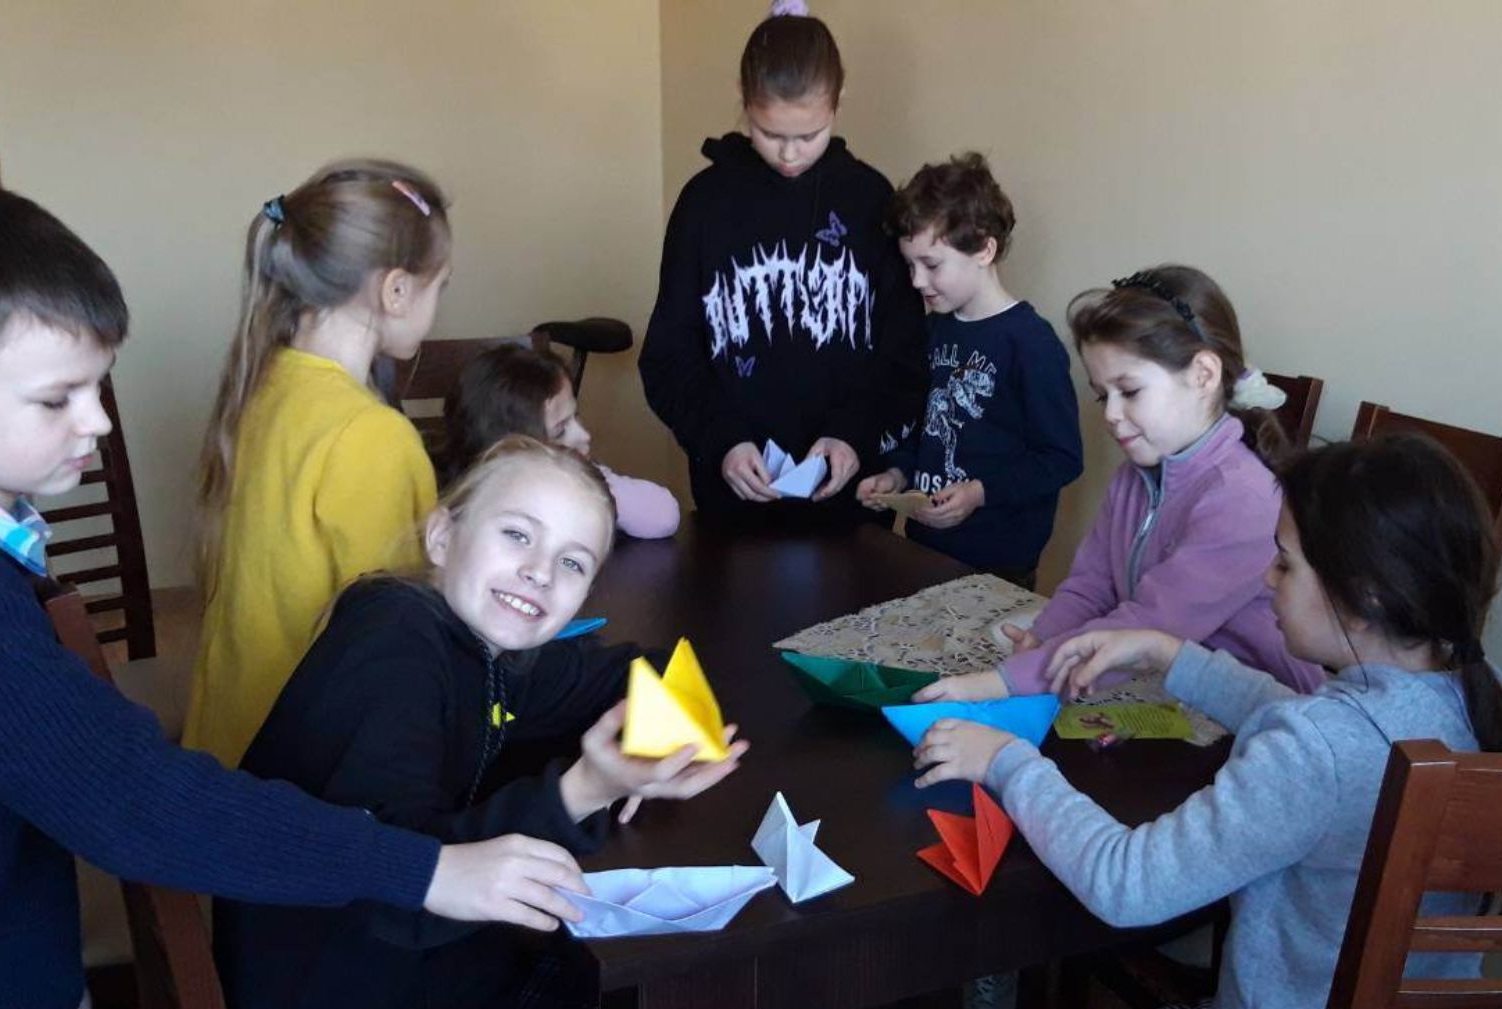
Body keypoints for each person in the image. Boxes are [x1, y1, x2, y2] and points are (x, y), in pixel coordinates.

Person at [0, 180, 585, 1009]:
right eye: (58, 399)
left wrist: (30, 975)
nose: (98, 420)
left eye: (95, 387)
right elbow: (130, 798)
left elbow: (17, 780)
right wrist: (428, 871)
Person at [915, 435, 1502, 1009]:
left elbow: (1126, 884)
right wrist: (1169, 655)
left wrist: (1007, 761)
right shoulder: (1470, 692)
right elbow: (1313, 729)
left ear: (1365, 598)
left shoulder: (1315, 749)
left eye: (1285, 565)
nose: (1267, 579)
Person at [218, 437, 744, 1009]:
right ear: (443, 537)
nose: (540, 572)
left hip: (418, 982)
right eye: (518, 535)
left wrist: (652, 733)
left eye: (573, 563)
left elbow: (649, 670)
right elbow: (395, 885)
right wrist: (585, 790)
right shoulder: (394, 644)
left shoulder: (491, 653)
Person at [916, 266, 1318, 703]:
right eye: (1103, 395)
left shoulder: (1243, 498)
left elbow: (1148, 625)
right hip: (1165, 691)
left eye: (1129, 391)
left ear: (1203, 374)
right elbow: (1092, 584)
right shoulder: (1133, 476)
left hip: (1258, 713)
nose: (1109, 415)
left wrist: (1003, 683)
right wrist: (1044, 637)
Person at [187, 159, 453, 767]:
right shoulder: (372, 435)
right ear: (396, 290)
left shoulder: (263, 385)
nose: (440, 303)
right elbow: (398, 640)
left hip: (227, 746)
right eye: (442, 285)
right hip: (304, 769)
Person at [638, 0, 925, 527]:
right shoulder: (704, 204)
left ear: (838, 104)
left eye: (809, 136)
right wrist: (722, 441)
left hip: (852, 503)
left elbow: (904, 355)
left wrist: (854, 435)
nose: (790, 155)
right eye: (769, 134)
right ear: (744, 102)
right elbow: (668, 356)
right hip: (733, 500)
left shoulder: (870, 199)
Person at [857, 152, 1082, 587]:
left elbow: (1061, 458)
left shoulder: (1031, 344)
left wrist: (981, 492)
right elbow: (920, 426)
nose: (916, 281)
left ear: (984, 249)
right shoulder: (931, 331)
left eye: (931, 265)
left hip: (997, 567)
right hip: (922, 550)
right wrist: (897, 474)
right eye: (910, 265)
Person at [440, 343, 679, 538]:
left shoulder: (580, 478)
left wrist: (593, 487)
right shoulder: (467, 513)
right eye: (560, 431)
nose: (584, 435)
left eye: (576, 416)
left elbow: (664, 516)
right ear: (508, 451)